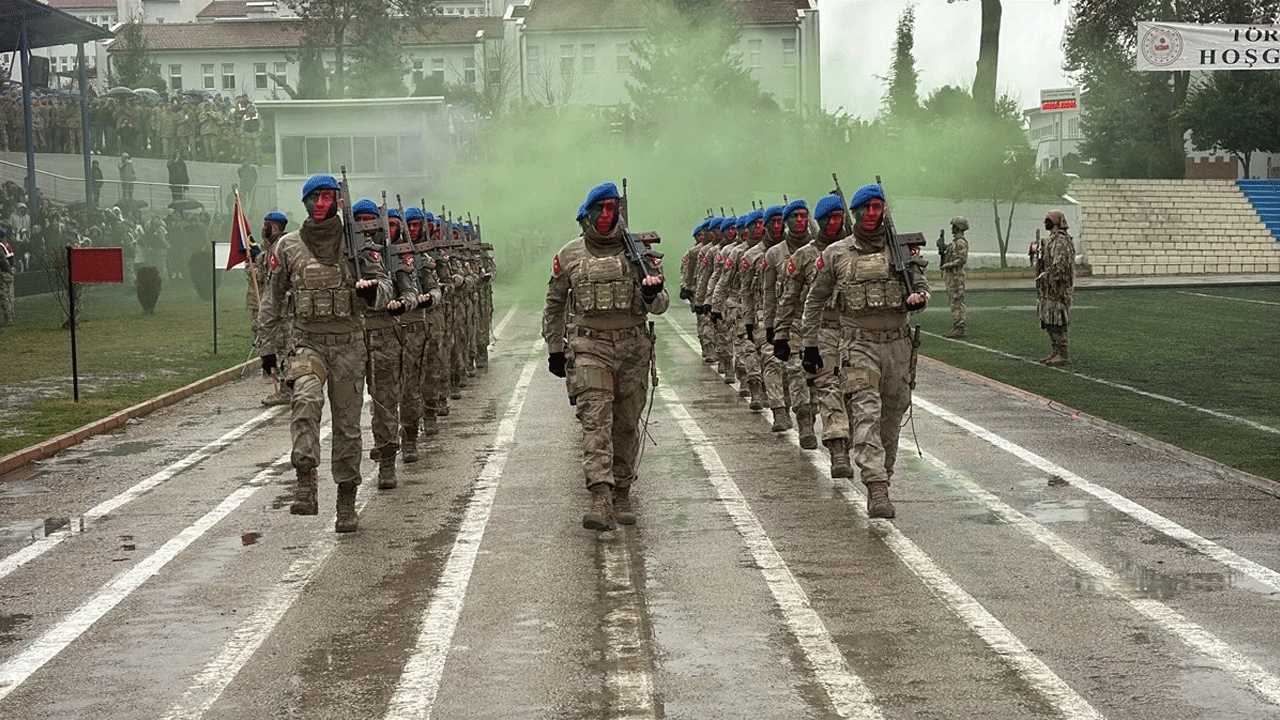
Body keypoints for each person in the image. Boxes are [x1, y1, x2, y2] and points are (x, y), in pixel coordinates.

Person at [257, 174, 393, 533]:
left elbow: (386, 285)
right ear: (305, 203)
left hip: (349, 344)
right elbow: (272, 299)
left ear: (337, 202)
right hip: (308, 343)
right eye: (314, 197)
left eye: (327, 197)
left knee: (348, 428)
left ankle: (346, 500)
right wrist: (267, 349)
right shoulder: (288, 247)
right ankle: (305, 480)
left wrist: (370, 293)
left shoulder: (357, 244)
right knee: (304, 399)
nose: (321, 203)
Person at [542, 182, 668, 531]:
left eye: (614, 209)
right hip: (590, 349)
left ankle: (623, 491)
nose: (608, 216)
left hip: (632, 349)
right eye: (602, 209)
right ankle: (600, 496)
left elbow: (660, 306)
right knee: (596, 422)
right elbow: (554, 304)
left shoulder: (639, 254)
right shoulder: (569, 255)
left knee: (626, 423)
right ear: (589, 214)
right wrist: (555, 347)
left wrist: (651, 292)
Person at [800, 184, 929, 519]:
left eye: (878, 206)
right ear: (856, 213)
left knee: (891, 416)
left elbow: (921, 285)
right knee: (866, 413)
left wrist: (920, 298)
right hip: (859, 345)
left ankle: (884, 472)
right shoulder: (837, 254)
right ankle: (876, 488)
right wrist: (809, 346)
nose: (873, 213)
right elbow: (814, 301)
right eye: (867, 208)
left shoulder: (901, 250)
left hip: (898, 346)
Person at [251, 211, 291, 407]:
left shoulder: (280, 249)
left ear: (274, 228)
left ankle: (287, 390)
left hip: (282, 311)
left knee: (283, 350)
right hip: (278, 309)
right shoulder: (273, 249)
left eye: (266, 225)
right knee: (281, 348)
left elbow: (271, 283)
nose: (262, 229)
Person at [1034, 210, 1075, 366]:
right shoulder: (1051, 239)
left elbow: (1061, 266)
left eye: (1048, 219)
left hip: (1058, 288)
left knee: (1057, 319)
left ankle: (1063, 353)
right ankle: (1055, 350)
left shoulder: (1061, 241)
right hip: (1048, 288)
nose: (1045, 222)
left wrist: (1048, 274)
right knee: (1048, 319)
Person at [940, 215, 970, 338]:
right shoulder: (955, 243)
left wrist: (947, 265)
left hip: (956, 276)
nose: (952, 228)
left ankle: (959, 327)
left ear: (959, 227)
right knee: (954, 301)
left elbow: (962, 259)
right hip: (953, 276)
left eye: (954, 226)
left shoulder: (960, 243)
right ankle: (957, 326)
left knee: (957, 301)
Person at [0, 227, 15, 327]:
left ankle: (9, 319)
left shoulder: (0, 246)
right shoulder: (6, 244)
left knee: (4, 296)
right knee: (10, 297)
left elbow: (2, 260)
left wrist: (7, 269)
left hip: (3, 273)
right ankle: (12, 317)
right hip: (10, 273)